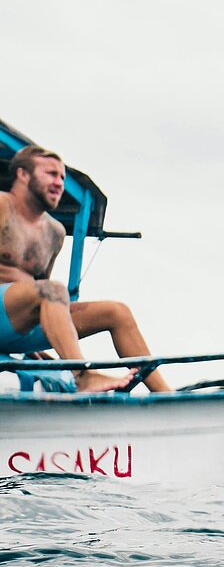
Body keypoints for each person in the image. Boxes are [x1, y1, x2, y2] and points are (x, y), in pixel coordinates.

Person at [0, 145, 171, 392]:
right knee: (52, 290)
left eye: (62, 177)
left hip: (16, 322)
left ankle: (164, 394)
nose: (59, 182)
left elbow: (37, 288)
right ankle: (83, 375)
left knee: (117, 312)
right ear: (23, 174)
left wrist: (34, 346)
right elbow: (43, 291)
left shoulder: (54, 232)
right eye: (50, 174)